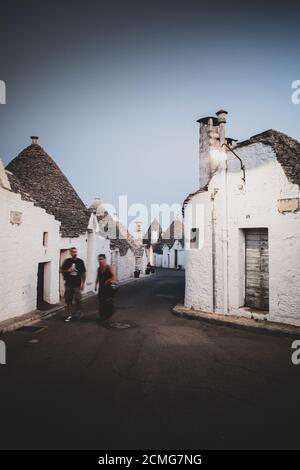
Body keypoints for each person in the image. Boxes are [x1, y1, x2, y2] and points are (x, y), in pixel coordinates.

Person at [61, 247, 86, 322]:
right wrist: (67, 270)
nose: (74, 253)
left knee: (78, 299)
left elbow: (83, 273)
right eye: (73, 252)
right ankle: (70, 315)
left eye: (75, 252)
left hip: (77, 284)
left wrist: (83, 283)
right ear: (70, 253)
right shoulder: (67, 261)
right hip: (68, 284)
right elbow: (61, 270)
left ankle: (79, 313)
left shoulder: (80, 261)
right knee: (68, 300)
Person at [95, 254, 116, 320]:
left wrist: (108, 280)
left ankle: (108, 315)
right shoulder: (99, 269)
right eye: (99, 259)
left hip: (108, 287)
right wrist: (96, 285)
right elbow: (98, 277)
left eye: (101, 259)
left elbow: (113, 276)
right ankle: (102, 315)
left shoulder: (108, 267)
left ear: (104, 259)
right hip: (101, 287)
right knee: (101, 302)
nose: (100, 261)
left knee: (107, 302)